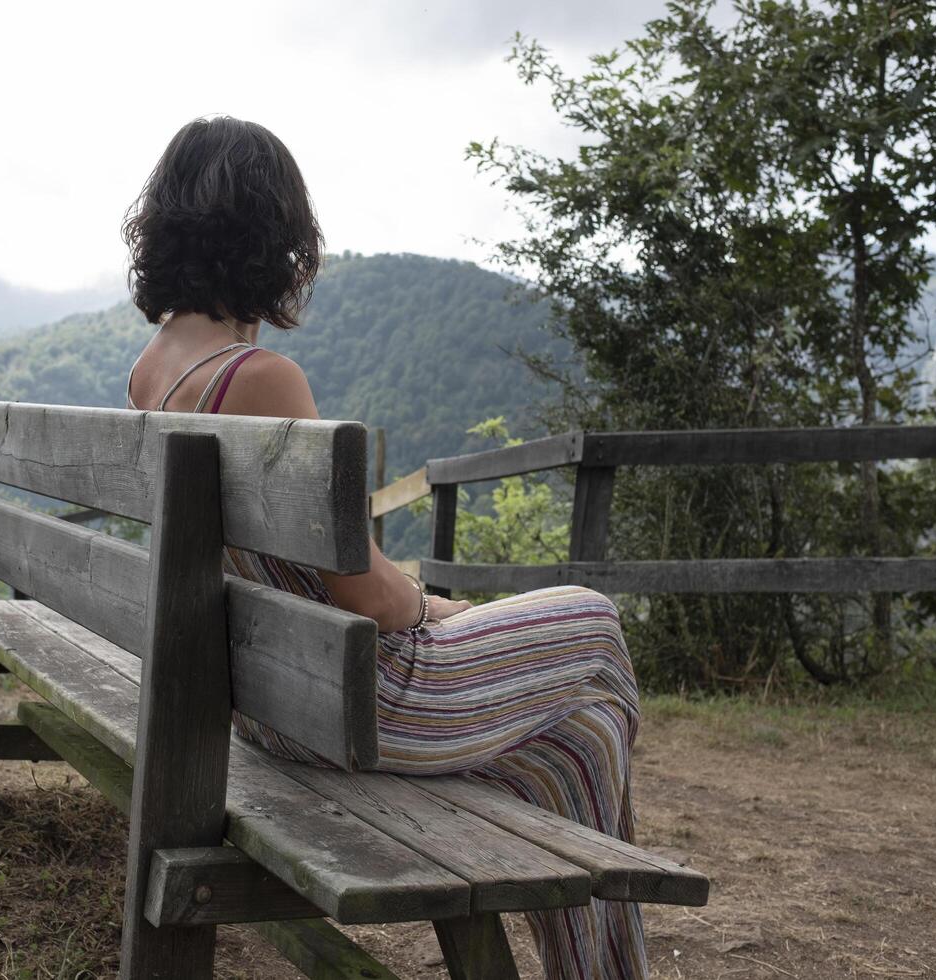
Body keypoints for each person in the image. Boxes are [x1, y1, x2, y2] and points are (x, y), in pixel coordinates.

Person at [122, 115, 647, 980]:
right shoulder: (259, 378)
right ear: (273, 234)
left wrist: (415, 603)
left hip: (272, 703)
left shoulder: (152, 369)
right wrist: (435, 605)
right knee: (594, 623)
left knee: (587, 739)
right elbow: (366, 596)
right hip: (357, 700)